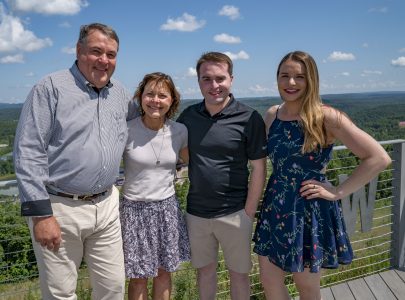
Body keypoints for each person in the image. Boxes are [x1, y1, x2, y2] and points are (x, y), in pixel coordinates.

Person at [253, 50, 392, 300]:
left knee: (306, 287)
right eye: (285, 75)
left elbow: (378, 157)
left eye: (300, 77)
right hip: (275, 207)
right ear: (277, 79)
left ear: (311, 80)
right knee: (269, 281)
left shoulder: (324, 116)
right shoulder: (272, 114)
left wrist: (338, 191)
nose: (291, 82)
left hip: (308, 211)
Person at [13, 23, 137, 299]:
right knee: (61, 293)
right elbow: (28, 150)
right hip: (60, 208)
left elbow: (144, 125)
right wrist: (41, 215)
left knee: (113, 288)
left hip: (106, 206)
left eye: (111, 54)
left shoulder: (119, 94)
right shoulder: (50, 88)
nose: (104, 60)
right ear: (79, 50)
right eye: (96, 51)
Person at [177, 52, 267, 300]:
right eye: (206, 79)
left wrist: (249, 211)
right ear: (198, 82)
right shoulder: (188, 117)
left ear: (231, 79)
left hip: (236, 213)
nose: (214, 85)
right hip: (196, 213)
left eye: (220, 78)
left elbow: (259, 168)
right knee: (204, 273)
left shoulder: (249, 118)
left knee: (238, 275)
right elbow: (181, 156)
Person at [120, 72, 190, 300]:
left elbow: (194, 164)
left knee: (163, 273)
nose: (155, 100)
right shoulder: (126, 129)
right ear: (140, 97)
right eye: (149, 94)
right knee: (138, 276)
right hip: (134, 211)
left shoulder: (179, 131)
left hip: (167, 210)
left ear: (172, 100)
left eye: (162, 95)